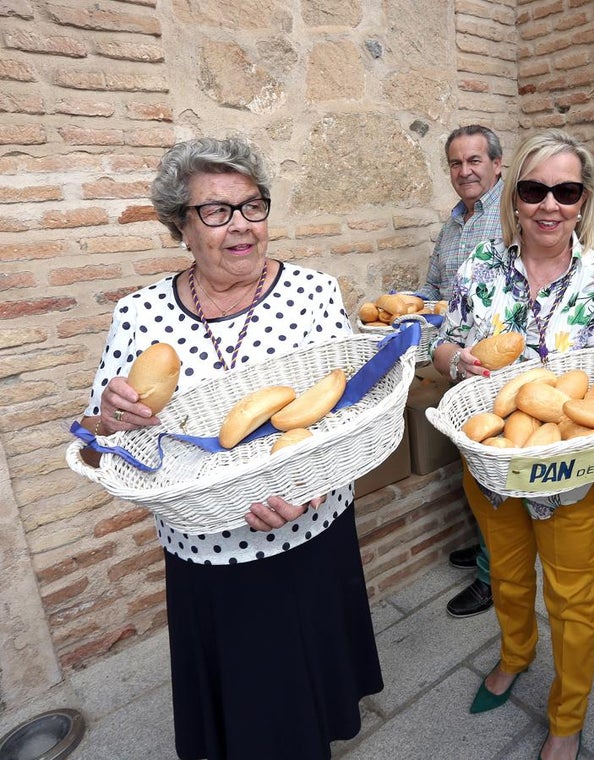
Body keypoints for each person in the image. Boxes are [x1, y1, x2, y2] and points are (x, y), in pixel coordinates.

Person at [75, 137, 382, 760]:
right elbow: (91, 449)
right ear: (180, 227)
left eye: (253, 206)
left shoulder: (314, 294)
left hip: (311, 529)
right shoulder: (140, 317)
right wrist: (106, 421)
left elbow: (344, 407)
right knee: (249, 706)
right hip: (207, 549)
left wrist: (314, 484)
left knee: (308, 696)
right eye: (216, 211)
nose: (240, 225)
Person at [431, 129, 594, 760]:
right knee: (511, 578)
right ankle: (516, 655)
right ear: (513, 197)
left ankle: (567, 718)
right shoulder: (479, 269)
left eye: (566, 190)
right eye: (534, 189)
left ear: (584, 200)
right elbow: (437, 345)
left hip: (572, 471)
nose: (549, 204)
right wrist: (454, 358)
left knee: (572, 598)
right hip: (490, 463)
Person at [416, 124, 506, 619]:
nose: (465, 171)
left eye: (475, 160)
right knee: (472, 465)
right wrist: (411, 311)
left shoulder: (512, 217)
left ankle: (494, 575)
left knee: (491, 467)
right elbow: (434, 288)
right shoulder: (453, 225)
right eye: (455, 163)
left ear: (497, 164)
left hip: (494, 369)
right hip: (457, 364)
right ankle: (486, 546)